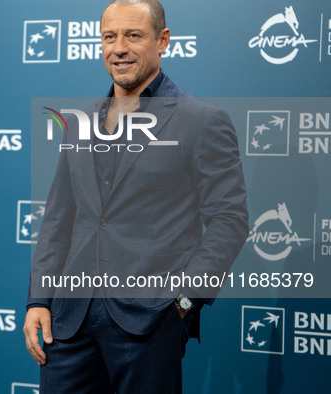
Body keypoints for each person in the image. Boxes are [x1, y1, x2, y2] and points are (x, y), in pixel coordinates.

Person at [23, 0, 249, 393]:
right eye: (109, 37)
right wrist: (39, 300)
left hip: (149, 320)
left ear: (162, 41)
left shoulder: (201, 121)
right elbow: (59, 219)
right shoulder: (79, 123)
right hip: (69, 320)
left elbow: (230, 220)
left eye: (133, 35)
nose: (119, 48)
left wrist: (182, 302)